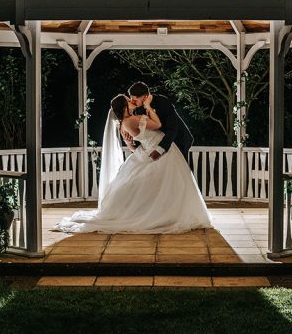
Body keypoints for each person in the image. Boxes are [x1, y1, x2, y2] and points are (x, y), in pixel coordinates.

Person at [52, 91, 211, 234]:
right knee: (169, 183)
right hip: (158, 148)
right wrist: (148, 107)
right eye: (129, 100)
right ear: (124, 107)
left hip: (150, 149)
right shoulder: (133, 119)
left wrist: (130, 142)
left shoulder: (123, 124)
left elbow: (133, 146)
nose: (132, 102)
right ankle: (166, 214)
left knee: (157, 185)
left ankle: (162, 212)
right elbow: (157, 125)